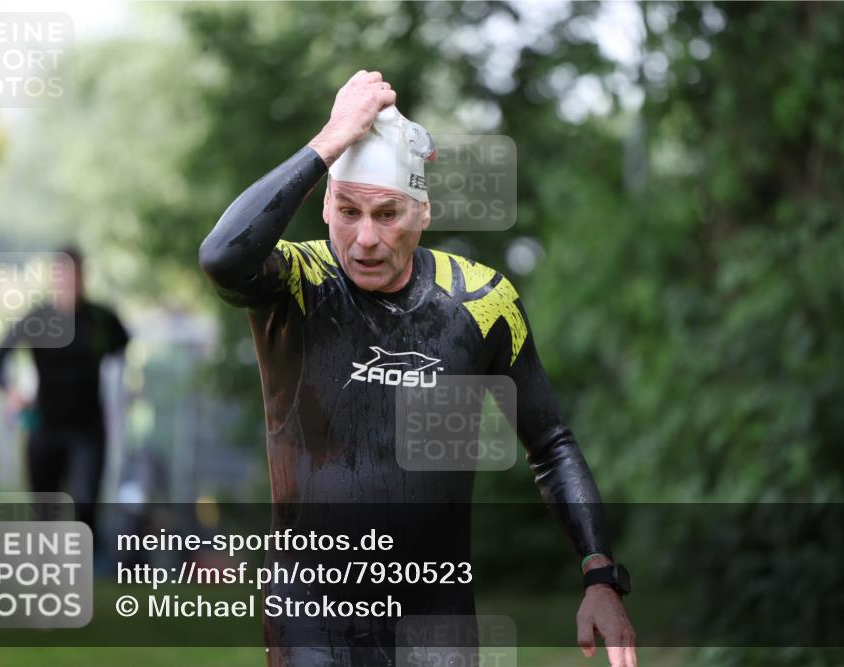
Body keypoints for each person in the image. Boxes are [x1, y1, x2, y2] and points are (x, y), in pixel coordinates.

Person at [200, 70, 637, 666]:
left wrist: (601, 577)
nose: (365, 239)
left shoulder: (479, 302)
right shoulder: (297, 284)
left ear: (423, 212)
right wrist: (330, 138)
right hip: (311, 613)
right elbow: (222, 256)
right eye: (348, 211)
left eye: (387, 214)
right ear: (325, 204)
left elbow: (550, 444)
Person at [0, 247, 129, 538]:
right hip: (45, 426)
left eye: (74, 275)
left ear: (82, 277)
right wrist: (11, 391)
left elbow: (123, 348)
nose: (68, 283)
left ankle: (83, 570)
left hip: (87, 428)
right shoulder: (37, 318)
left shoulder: (101, 319)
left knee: (85, 505)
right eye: (61, 276)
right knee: (45, 513)